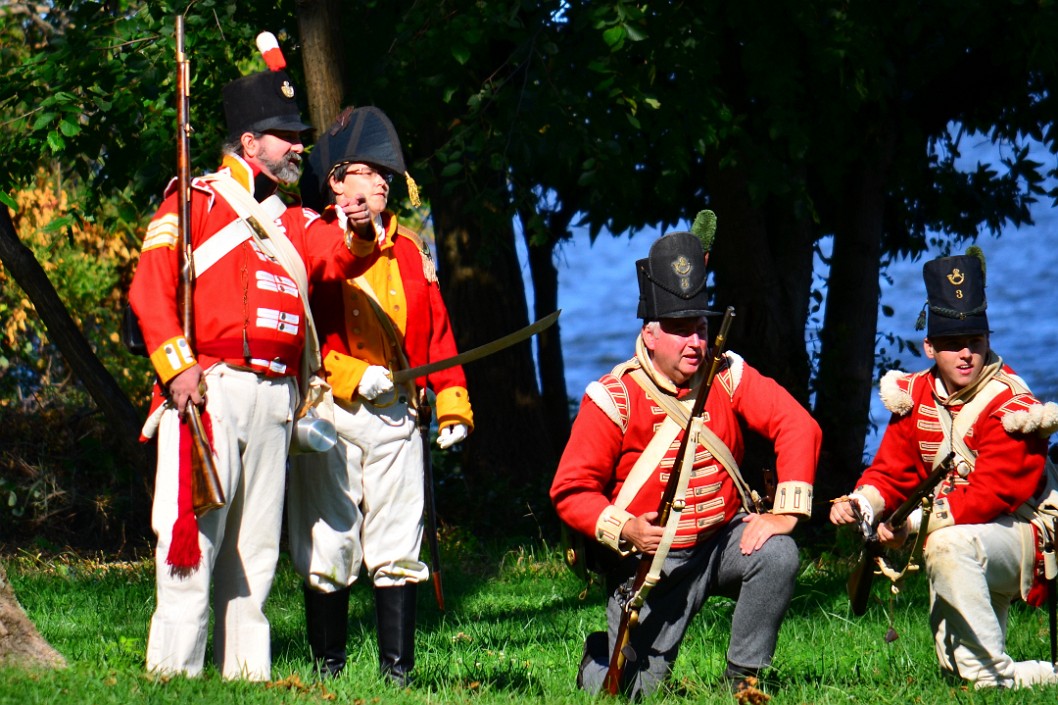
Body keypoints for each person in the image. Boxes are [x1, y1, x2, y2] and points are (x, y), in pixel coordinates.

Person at [128, 40, 378, 681]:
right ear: (250, 142)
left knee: (256, 552)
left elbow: (336, 255)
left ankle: (247, 679)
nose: (299, 144)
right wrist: (178, 367)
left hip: (275, 398)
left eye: (298, 133)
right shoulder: (196, 200)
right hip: (206, 388)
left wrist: (356, 225)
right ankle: (175, 674)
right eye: (286, 134)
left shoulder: (287, 217)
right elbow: (148, 289)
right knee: (192, 544)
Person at [550, 230, 820, 699]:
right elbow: (570, 489)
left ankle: (745, 679)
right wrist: (625, 527)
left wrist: (786, 513)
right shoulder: (613, 398)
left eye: (700, 325)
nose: (695, 340)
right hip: (653, 565)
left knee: (777, 555)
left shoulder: (728, 375)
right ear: (650, 333)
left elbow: (798, 425)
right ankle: (598, 657)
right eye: (680, 328)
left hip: (721, 542)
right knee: (634, 693)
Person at [287, 105, 474, 685]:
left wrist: (451, 403)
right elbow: (300, 338)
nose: (379, 183)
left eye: (383, 175)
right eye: (366, 172)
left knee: (397, 544)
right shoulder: (311, 241)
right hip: (333, 414)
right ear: (337, 182)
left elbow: (438, 336)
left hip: (396, 416)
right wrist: (348, 374)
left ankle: (397, 675)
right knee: (331, 542)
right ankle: (328, 672)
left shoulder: (413, 251)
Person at [830, 250, 1058, 689]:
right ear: (929, 347)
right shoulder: (915, 396)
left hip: (1029, 533)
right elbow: (892, 472)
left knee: (947, 543)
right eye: (953, 344)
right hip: (972, 533)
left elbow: (991, 496)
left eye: (974, 340)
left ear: (987, 339)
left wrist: (912, 523)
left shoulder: (1011, 404)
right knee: (956, 674)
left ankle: (1005, 678)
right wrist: (863, 505)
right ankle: (1004, 675)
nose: (966, 353)